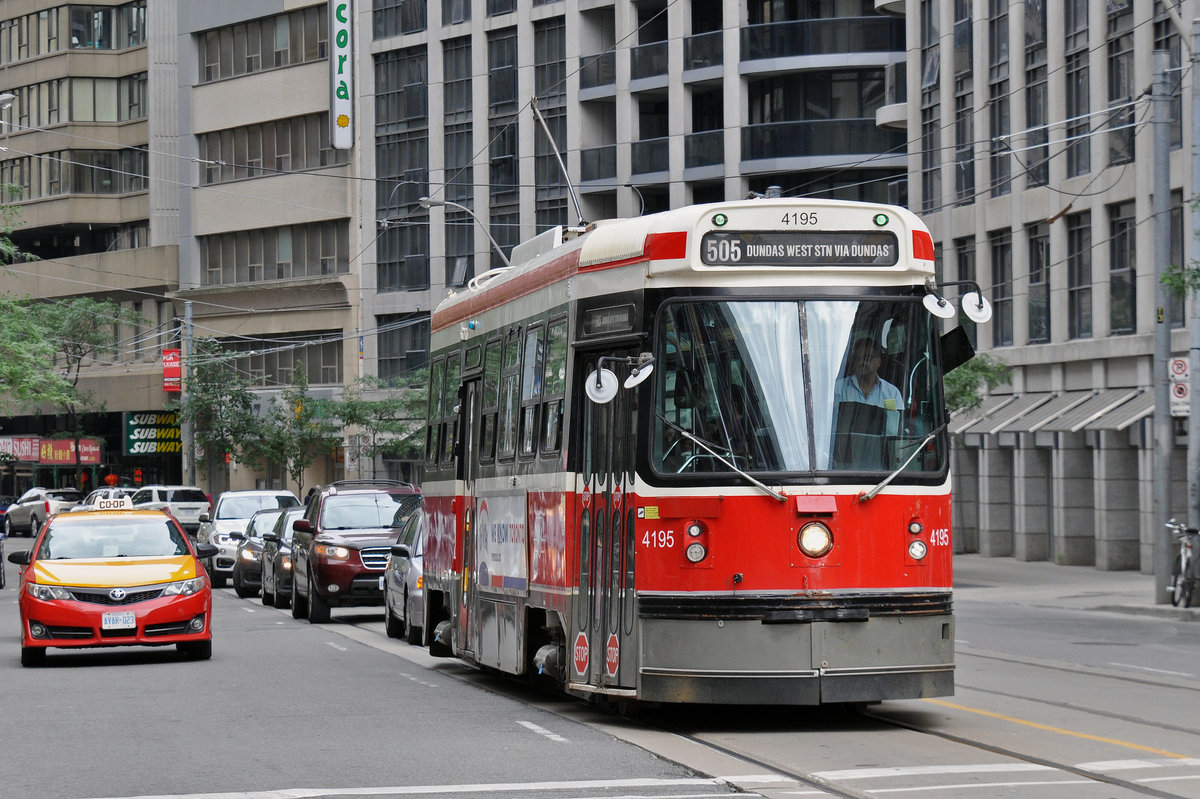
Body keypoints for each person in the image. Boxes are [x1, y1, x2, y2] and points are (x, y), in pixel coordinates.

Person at [835, 335, 905, 411]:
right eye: (857, 358)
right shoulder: (838, 388)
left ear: (878, 362)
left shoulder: (891, 393)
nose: (861, 362)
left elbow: (895, 421)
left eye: (867, 357)